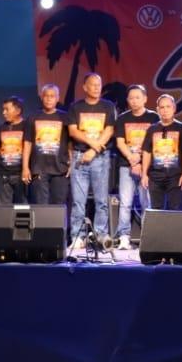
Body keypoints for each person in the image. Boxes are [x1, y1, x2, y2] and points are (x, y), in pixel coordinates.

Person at [67, 73, 116, 245]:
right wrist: (92, 144)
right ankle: (78, 237)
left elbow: (109, 130)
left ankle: (100, 235)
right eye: (93, 85)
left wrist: (93, 151)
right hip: (79, 157)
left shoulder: (108, 106)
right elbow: (73, 131)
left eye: (99, 84)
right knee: (78, 201)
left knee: (101, 200)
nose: (96, 88)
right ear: (85, 87)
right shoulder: (76, 107)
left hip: (100, 158)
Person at [114, 84, 159, 249]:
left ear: (145, 99)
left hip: (147, 167)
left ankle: (148, 237)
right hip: (126, 166)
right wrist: (132, 159)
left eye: (137, 97)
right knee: (125, 203)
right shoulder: (122, 118)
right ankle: (124, 237)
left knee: (147, 202)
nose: (134, 101)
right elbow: (120, 142)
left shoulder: (154, 118)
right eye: (131, 98)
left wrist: (140, 162)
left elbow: (156, 143)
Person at [141, 94, 182, 210]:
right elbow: (147, 152)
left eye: (168, 107)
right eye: (162, 107)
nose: (165, 110)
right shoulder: (152, 129)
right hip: (155, 176)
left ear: (174, 108)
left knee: (175, 209)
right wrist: (144, 174)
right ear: (157, 110)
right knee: (155, 209)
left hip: (175, 176)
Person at [23, 85, 71, 207]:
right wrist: (25, 167)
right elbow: (27, 143)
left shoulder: (65, 118)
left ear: (58, 98)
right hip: (39, 169)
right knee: (41, 207)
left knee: (58, 206)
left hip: (60, 169)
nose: (49, 99)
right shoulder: (32, 118)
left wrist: (72, 163)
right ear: (41, 97)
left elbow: (70, 143)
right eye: (46, 96)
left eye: (52, 96)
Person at [0, 96, 27, 204]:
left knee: (22, 207)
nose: (3, 112)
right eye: (3, 109)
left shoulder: (26, 127)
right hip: (4, 174)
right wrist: (4, 158)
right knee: (4, 208)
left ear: (18, 111)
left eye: (7, 109)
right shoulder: (1, 128)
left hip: (21, 174)